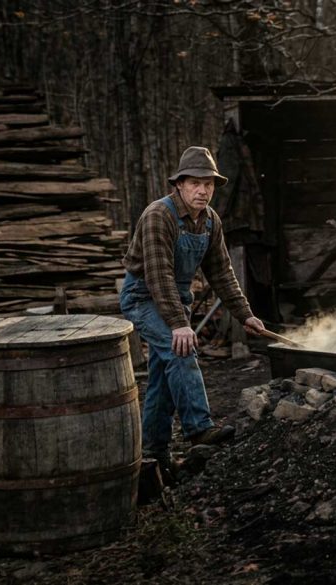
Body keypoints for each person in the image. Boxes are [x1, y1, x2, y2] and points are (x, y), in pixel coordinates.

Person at [120, 146, 266, 477]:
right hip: (143, 297)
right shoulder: (159, 215)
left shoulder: (211, 220)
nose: (203, 191)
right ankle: (199, 427)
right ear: (180, 185)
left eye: (209, 184)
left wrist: (245, 314)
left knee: (162, 379)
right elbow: (158, 277)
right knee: (182, 352)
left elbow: (222, 272)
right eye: (195, 184)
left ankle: (153, 456)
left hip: (174, 300)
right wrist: (178, 324)